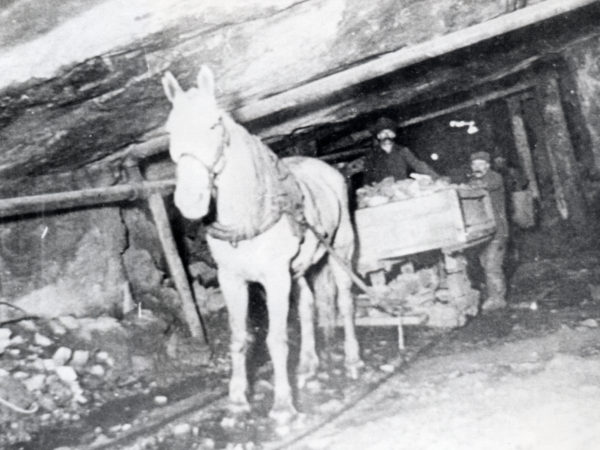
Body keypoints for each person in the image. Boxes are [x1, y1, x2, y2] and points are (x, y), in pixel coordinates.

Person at [468, 151, 508, 311]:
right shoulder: (473, 180)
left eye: (480, 164)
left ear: (487, 165)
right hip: (483, 233)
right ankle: (493, 295)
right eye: (474, 164)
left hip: (498, 231)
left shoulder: (494, 177)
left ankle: (498, 300)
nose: (477, 167)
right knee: (486, 264)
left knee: (492, 266)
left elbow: (485, 186)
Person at [363, 117, 439, 184]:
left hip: (401, 189)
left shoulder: (403, 151)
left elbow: (419, 165)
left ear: (394, 135)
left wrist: (437, 178)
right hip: (382, 193)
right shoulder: (372, 155)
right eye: (383, 133)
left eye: (389, 132)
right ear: (378, 136)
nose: (386, 135)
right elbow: (367, 178)